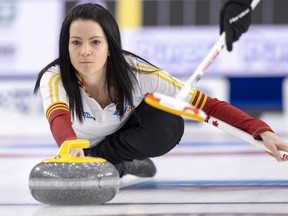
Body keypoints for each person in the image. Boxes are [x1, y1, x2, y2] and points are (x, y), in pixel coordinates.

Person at [34, 3, 287, 178]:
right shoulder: (54, 78)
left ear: (110, 47)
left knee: (168, 122)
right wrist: (69, 146)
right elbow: (58, 116)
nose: (84, 51)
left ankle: (112, 160)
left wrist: (260, 129)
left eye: (95, 42)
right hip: (80, 144)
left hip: (119, 138)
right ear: (66, 46)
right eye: (75, 42)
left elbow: (207, 105)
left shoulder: (140, 74)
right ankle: (119, 164)